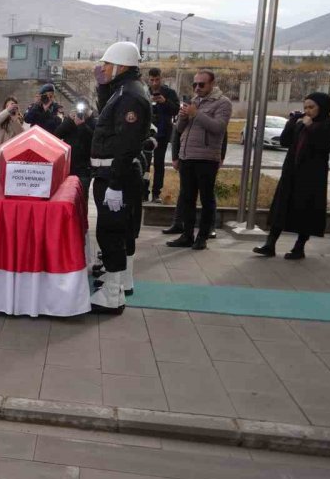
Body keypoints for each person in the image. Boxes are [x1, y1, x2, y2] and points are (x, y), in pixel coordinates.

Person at [88, 41, 151, 313]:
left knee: (111, 232)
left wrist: (114, 185)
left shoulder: (130, 96)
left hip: (117, 174)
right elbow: (108, 117)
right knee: (119, 230)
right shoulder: (124, 90)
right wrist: (103, 85)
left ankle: (113, 295)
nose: (103, 68)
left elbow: (126, 143)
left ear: (121, 65)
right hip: (114, 172)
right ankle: (121, 282)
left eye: (107, 64)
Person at [253, 93, 330, 260]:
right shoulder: (303, 123)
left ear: (322, 107)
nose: (308, 111)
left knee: (306, 209)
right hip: (291, 171)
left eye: (311, 107)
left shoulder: (329, 125)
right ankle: (270, 244)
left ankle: (299, 247)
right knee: (280, 207)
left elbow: (320, 145)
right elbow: (285, 141)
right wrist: (292, 122)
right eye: (305, 107)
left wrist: (309, 126)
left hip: (312, 176)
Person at [165, 70, 231, 251]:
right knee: (187, 197)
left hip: (206, 158)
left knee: (206, 197)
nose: (197, 88)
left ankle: (202, 237)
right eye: (195, 84)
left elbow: (218, 128)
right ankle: (187, 235)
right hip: (187, 157)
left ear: (212, 84)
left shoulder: (223, 103)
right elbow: (179, 129)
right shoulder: (194, 101)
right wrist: (183, 116)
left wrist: (196, 114)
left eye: (201, 84)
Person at [146, 68, 180, 203]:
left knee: (159, 164)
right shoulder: (144, 91)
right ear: (149, 79)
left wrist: (164, 101)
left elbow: (176, 109)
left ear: (161, 78)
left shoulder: (169, 93)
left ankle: (156, 193)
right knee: (146, 164)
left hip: (163, 133)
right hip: (147, 134)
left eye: (157, 80)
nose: (154, 83)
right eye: (152, 80)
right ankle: (144, 191)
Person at [54, 97, 96, 202]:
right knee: (67, 199)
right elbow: (57, 135)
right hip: (69, 167)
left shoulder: (93, 122)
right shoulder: (70, 122)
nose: (81, 111)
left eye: (83, 108)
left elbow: (92, 140)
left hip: (84, 168)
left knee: (82, 200)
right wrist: (68, 119)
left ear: (88, 108)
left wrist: (82, 125)